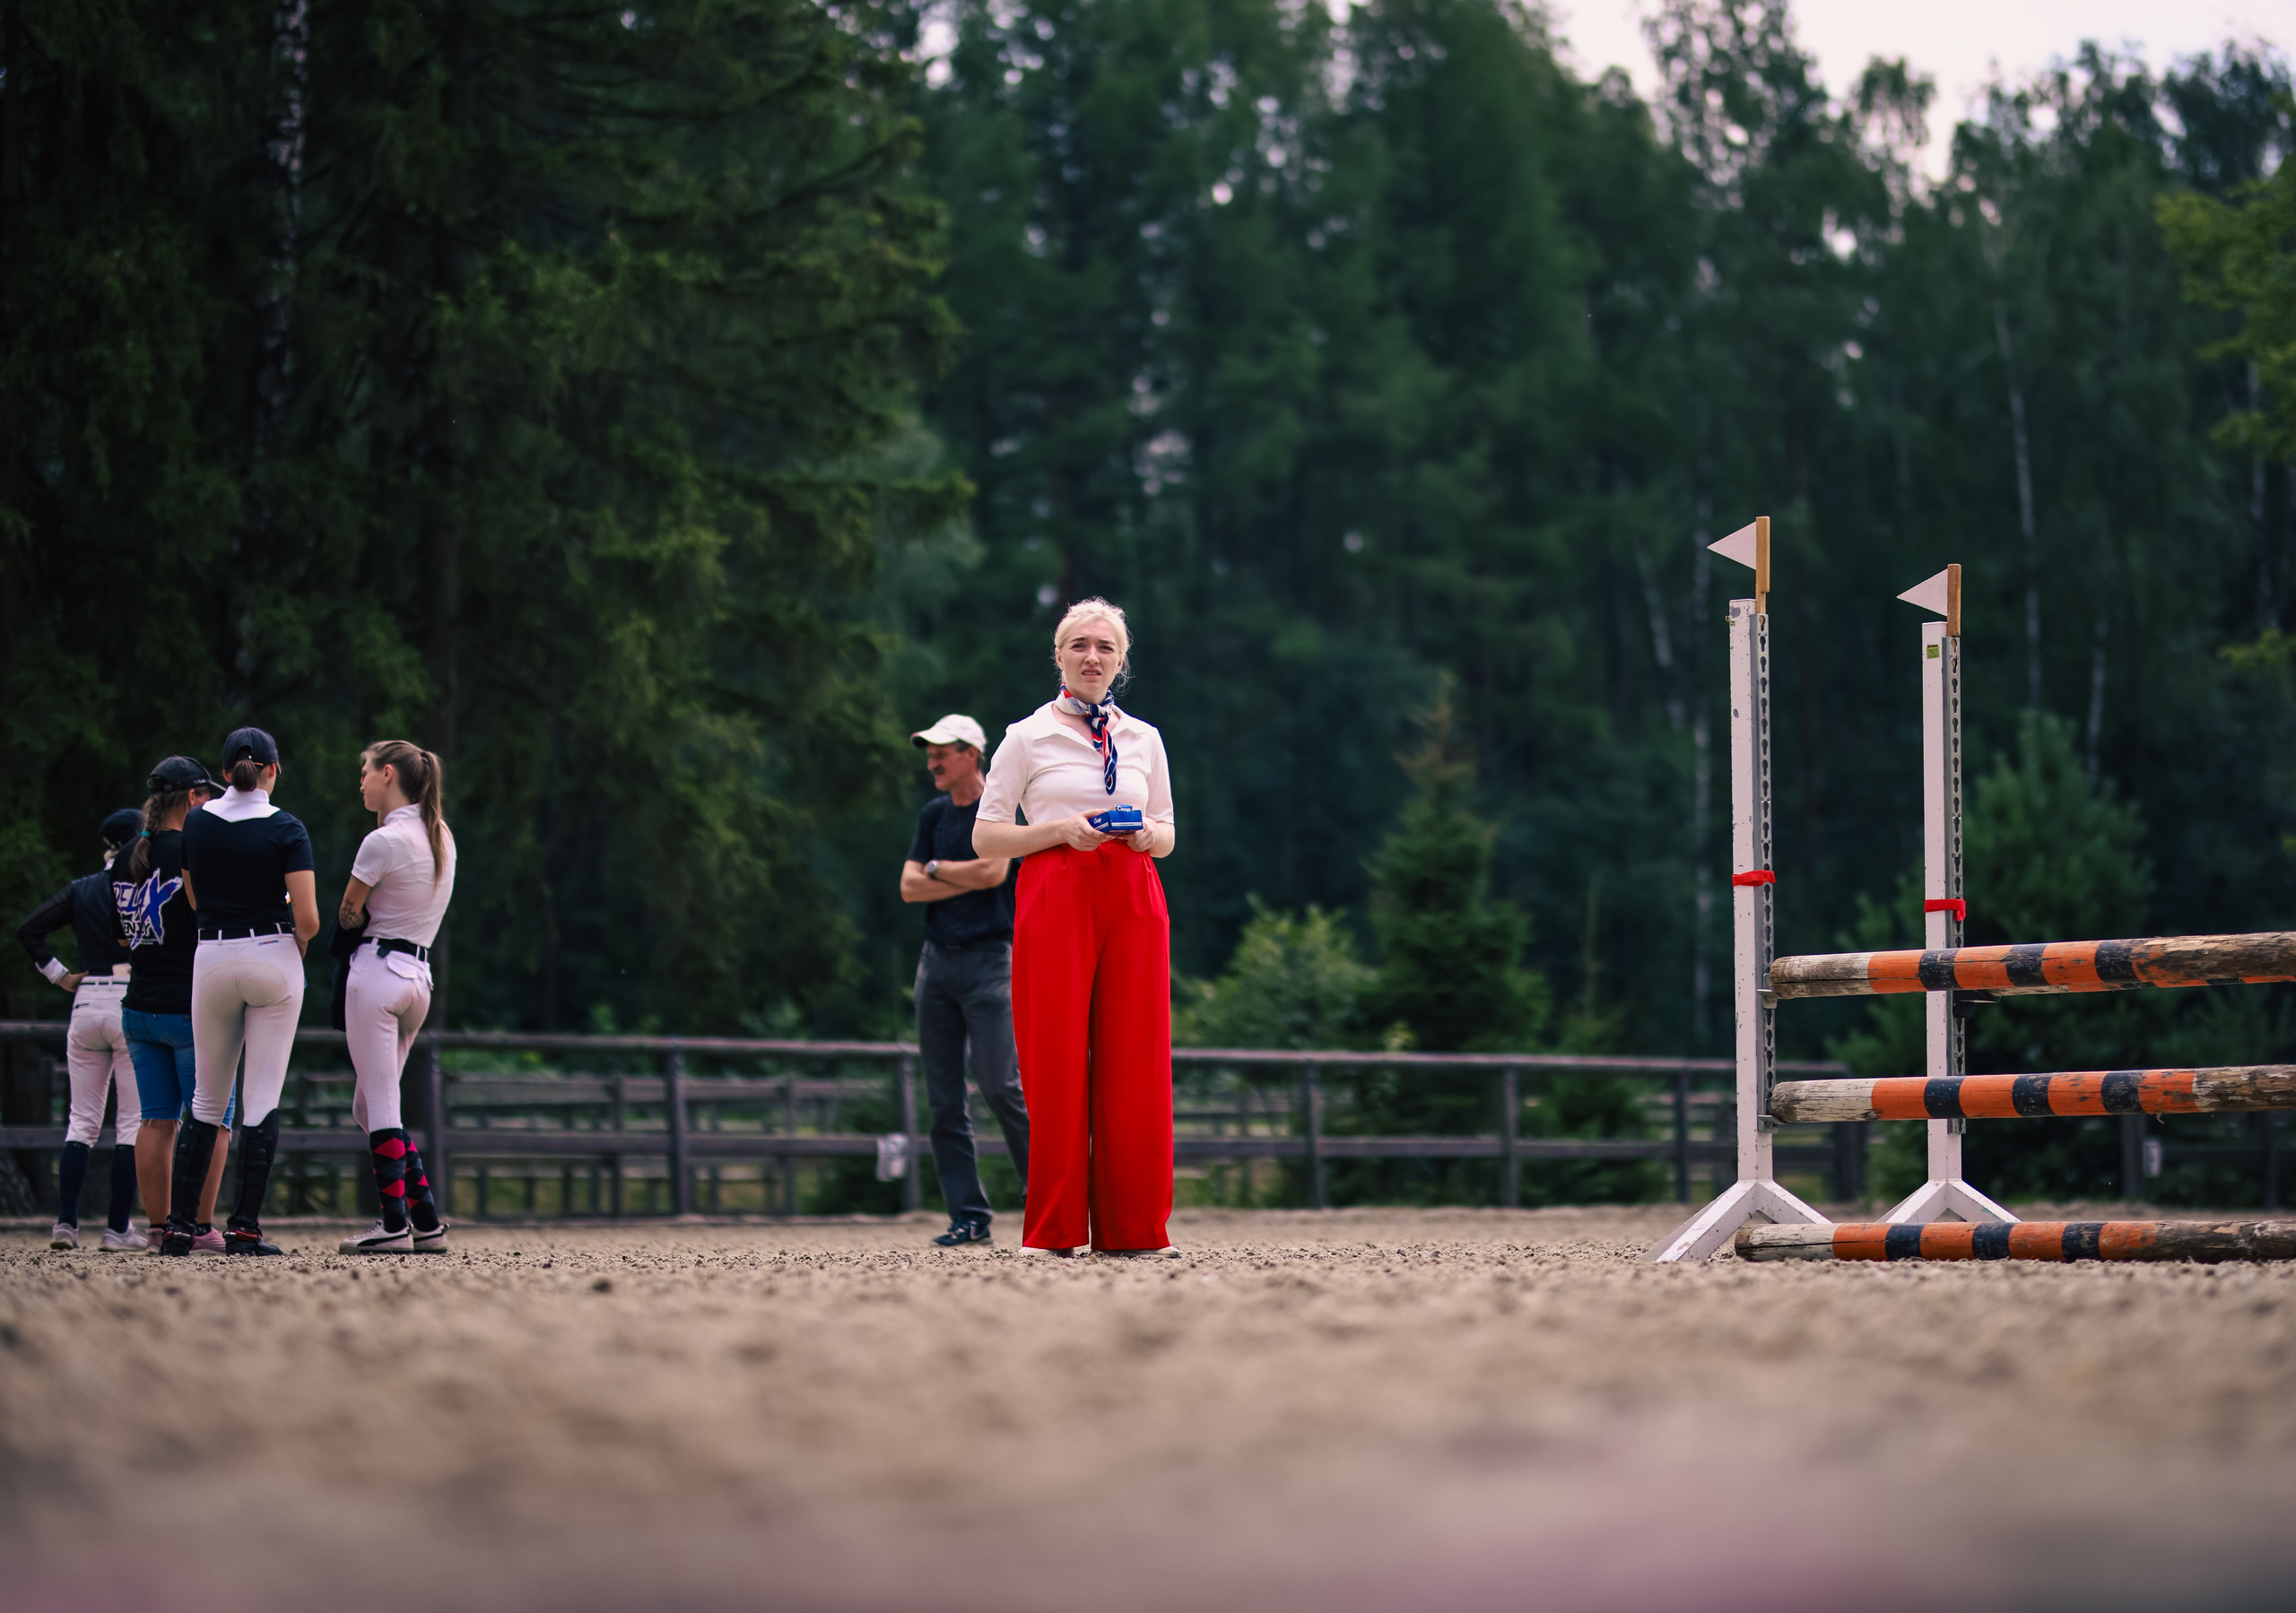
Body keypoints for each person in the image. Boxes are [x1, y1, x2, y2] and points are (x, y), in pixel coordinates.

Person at [973, 598, 1178, 1256]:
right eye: (1080, 645)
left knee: (1137, 1056)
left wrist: (1146, 835)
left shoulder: (1144, 737)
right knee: (1054, 1056)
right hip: (1056, 886)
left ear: (1121, 662)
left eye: (1105, 647)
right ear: (1059, 655)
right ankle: (1054, 1228)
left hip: (1134, 891)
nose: (1092, 657)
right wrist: (1059, 830)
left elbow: (1168, 831)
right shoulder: (1026, 736)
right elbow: (986, 836)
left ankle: (1135, 1227)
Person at [162, 726, 319, 1257]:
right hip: (272, 954)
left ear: (226, 772)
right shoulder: (287, 828)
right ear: (273, 770)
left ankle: (179, 1227)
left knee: (206, 1099)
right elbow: (309, 920)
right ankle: (245, 1228)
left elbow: (193, 896)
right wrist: (295, 936)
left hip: (212, 955)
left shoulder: (198, 822)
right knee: (261, 1099)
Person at [900, 714, 1030, 1248]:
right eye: (930, 753)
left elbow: (993, 874)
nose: (932, 762)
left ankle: (1048, 1195)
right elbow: (908, 888)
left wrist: (935, 869)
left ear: (970, 755)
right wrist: (957, 874)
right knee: (944, 1100)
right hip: (935, 966)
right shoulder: (933, 814)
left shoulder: (998, 810)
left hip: (990, 964)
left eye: (941, 753)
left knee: (1000, 1085)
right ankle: (969, 1216)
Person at [334, 741, 456, 1254]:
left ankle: (393, 1224)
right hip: (418, 978)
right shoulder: (441, 835)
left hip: (378, 973)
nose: (361, 781)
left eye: (365, 771)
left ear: (388, 774)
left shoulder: (381, 840)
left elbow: (348, 911)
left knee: (380, 1104)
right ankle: (426, 1222)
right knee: (369, 1105)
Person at [114, 756, 235, 1252]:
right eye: (205, 796)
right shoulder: (191, 850)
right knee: (214, 1119)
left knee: (155, 1120)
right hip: (189, 1006)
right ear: (191, 798)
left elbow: (122, 936)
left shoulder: (128, 853)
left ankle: (159, 1227)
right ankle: (199, 1226)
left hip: (138, 1006)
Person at [17, 808, 149, 1249]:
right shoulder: (142, 888)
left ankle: (66, 1224)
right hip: (130, 999)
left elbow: (30, 930)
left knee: (82, 1121)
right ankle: (117, 1228)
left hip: (87, 998)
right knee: (131, 1123)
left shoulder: (81, 889)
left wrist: (59, 975)